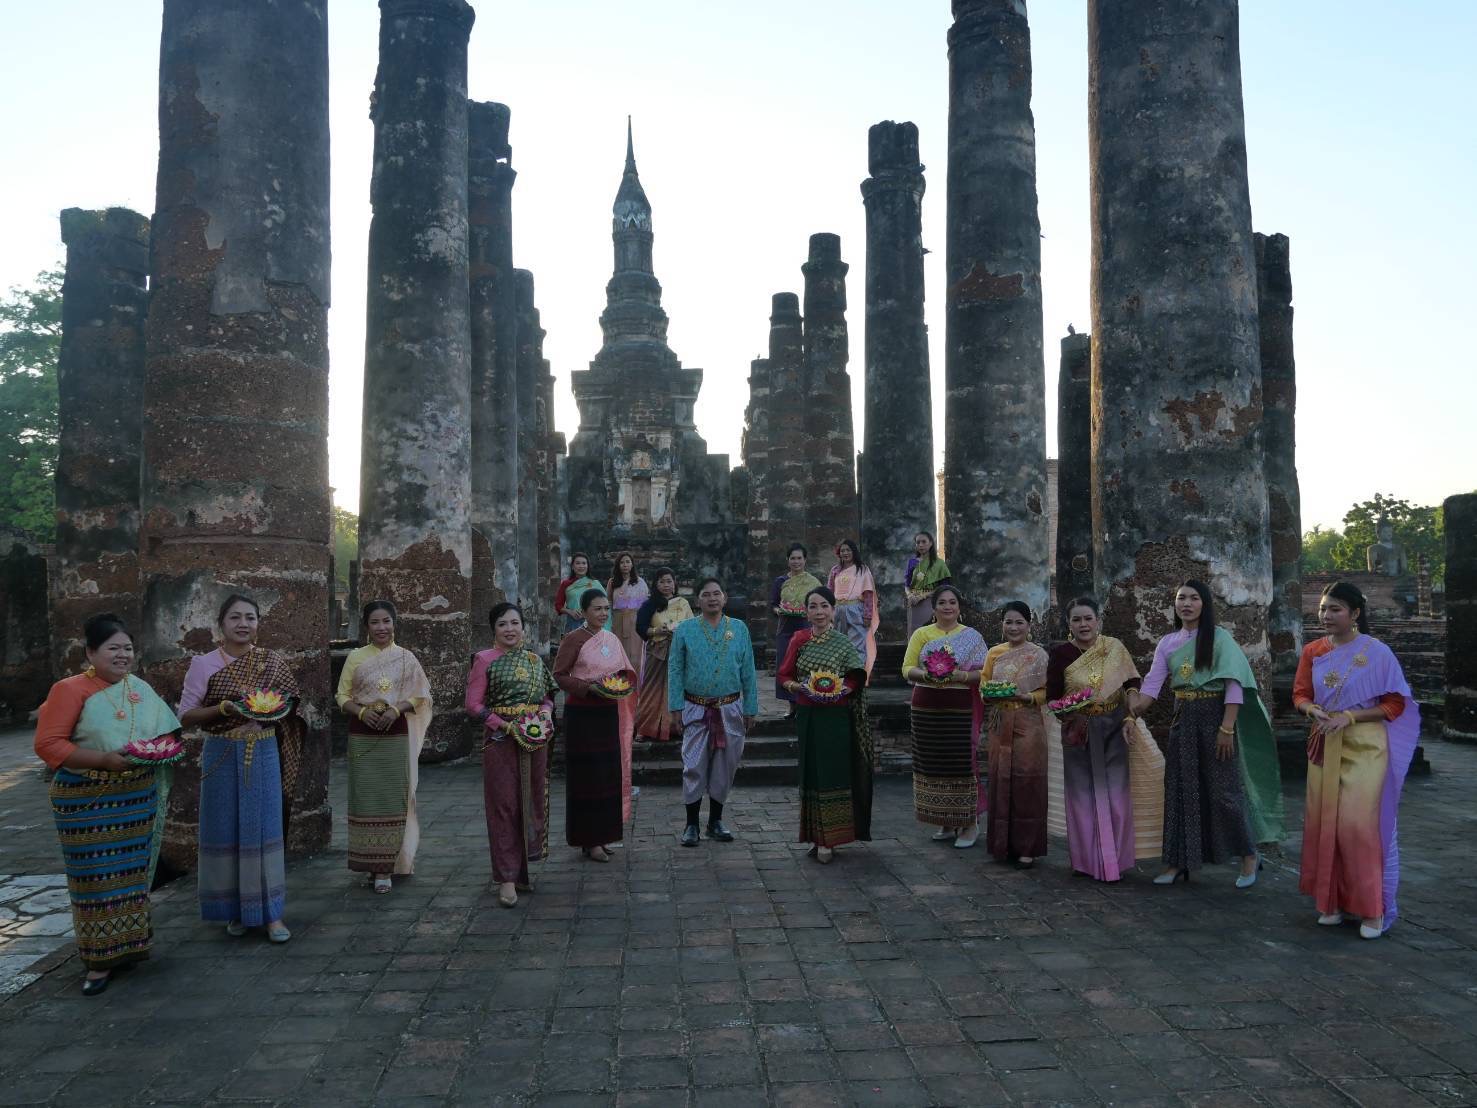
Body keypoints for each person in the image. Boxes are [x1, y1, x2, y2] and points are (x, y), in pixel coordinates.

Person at [33, 613, 183, 996]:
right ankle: (98, 961)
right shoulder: (70, 690)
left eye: (127, 648)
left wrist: (162, 750)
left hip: (135, 798)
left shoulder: (140, 688)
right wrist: (102, 760)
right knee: (95, 881)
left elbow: (165, 732)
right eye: (113, 648)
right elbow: (49, 745)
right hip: (88, 801)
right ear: (90, 652)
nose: (122, 656)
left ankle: (130, 947)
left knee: (131, 877)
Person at [1127, 581, 1282, 887]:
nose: (1186, 603)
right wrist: (1130, 704)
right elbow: (1151, 688)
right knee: (1179, 791)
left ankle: (1249, 856)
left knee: (1225, 792)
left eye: (1194, 598)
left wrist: (1226, 728)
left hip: (1216, 719)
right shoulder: (1168, 643)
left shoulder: (1220, 638)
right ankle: (1176, 862)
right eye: (1180, 597)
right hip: (1183, 719)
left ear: (1204, 604)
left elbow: (1234, 685)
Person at [1293, 581, 1419, 939]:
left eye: (1335, 609)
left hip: (1364, 746)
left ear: (1356, 614)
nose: (1326, 615)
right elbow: (1300, 693)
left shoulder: (1377, 653)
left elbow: (1395, 703)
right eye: (1323, 609)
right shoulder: (1313, 651)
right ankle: (1331, 903)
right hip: (1324, 742)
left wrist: (1350, 717)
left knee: (1360, 827)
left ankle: (1371, 910)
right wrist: (1311, 709)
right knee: (1324, 823)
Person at [178, 594, 306, 942]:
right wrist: (224, 709)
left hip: (263, 751)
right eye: (235, 617)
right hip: (222, 753)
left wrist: (278, 709)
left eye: (250, 617)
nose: (243, 624)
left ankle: (271, 915)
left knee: (263, 829)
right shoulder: (203, 665)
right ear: (221, 623)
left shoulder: (271, 662)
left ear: (258, 624)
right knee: (227, 830)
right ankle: (237, 909)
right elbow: (186, 715)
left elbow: (293, 703)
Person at [1044, 596, 1163, 883]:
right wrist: (1067, 713)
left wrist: (1132, 702)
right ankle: (1084, 862)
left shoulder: (1114, 648)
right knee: (1081, 799)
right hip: (1078, 729)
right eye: (1076, 620)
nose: (1083, 624)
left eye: (1088, 618)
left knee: (1117, 797)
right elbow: (1052, 697)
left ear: (1098, 621)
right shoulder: (1061, 654)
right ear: (1069, 625)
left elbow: (1132, 680)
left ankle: (1116, 862)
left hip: (1113, 726)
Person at [466, 602, 558, 908]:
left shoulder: (533, 660)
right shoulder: (484, 660)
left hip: (534, 738)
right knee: (504, 804)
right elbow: (474, 705)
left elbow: (547, 698)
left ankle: (522, 870)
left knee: (530, 800)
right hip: (501, 740)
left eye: (514, 623)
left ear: (523, 627)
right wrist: (503, 724)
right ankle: (506, 878)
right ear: (494, 629)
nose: (509, 629)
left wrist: (543, 717)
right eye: (503, 624)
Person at [336, 600, 432, 893]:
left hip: (395, 732)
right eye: (375, 622)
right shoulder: (355, 657)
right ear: (366, 626)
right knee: (367, 799)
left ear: (394, 624)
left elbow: (421, 695)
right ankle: (371, 863)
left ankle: (389, 866)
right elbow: (341, 696)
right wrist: (363, 712)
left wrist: (397, 709)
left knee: (394, 797)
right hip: (363, 736)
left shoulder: (406, 658)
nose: (382, 627)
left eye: (387, 621)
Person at [778, 586, 872, 864]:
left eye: (824, 606)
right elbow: (784, 675)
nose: (819, 612)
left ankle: (832, 838)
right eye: (813, 607)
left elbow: (856, 675)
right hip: (808, 716)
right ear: (806, 611)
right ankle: (817, 836)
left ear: (833, 610)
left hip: (836, 718)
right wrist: (800, 687)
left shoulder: (843, 643)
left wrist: (844, 690)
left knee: (834, 773)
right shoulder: (799, 639)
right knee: (812, 773)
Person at [667, 577, 758, 846]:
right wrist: (675, 707)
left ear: (725, 598)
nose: (712, 598)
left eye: (717, 593)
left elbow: (749, 671)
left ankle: (715, 821)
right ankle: (691, 824)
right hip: (696, 707)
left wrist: (750, 707)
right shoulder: (685, 629)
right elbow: (675, 669)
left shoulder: (739, 629)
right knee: (693, 765)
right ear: (698, 601)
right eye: (706, 595)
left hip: (730, 707)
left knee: (725, 765)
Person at [902, 584, 989, 848]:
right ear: (934, 607)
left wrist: (960, 675)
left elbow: (985, 673)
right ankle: (946, 819)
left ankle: (969, 822)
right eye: (942, 603)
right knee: (933, 763)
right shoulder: (922, 634)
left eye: (953, 602)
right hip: (927, 705)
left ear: (959, 607)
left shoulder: (972, 637)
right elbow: (907, 669)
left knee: (961, 762)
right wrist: (928, 674)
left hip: (959, 704)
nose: (948, 607)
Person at [552, 589, 636, 862]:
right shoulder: (573, 639)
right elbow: (560, 675)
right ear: (585, 611)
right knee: (587, 778)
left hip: (608, 712)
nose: (602, 613)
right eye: (597, 608)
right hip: (583, 715)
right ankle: (588, 840)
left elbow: (623, 669)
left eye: (605, 608)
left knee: (608, 776)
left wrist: (619, 685)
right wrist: (589, 688)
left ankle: (604, 835)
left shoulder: (610, 638)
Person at [980, 602, 1049, 867]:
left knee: (1027, 782)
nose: (1013, 627)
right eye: (1008, 622)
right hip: (1000, 721)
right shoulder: (994, 653)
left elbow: (1048, 691)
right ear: (1002, 625)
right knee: (1000, 779)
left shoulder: (1039, 655)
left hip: (1028, 722)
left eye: (1019, 622)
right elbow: (985, 685)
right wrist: (988, 695)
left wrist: (1027, 696)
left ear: (1029, 625)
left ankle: (1027, 847)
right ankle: (1002, 844)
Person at [634, 568, 693, 742]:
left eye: (669, 581)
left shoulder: (683, 603)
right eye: (662, 582)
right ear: (655, 584)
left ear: (674, 583)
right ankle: (645, 728)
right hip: (658, 651)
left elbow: (692, 626)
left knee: (677, 689)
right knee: (651, 690)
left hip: (680, 651)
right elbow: (640, 627)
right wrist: (656, 630)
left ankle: (675, 727)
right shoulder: (650, 604)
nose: (666, 585)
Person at [770, 543, 822, 714]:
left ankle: (807, 703)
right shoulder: (780, 581)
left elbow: (820, 604)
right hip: (785, 628)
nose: (796, 561)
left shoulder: (813, 582)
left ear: (805, 560)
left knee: (805, 666)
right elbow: (774, 604)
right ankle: (791, 706)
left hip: (806, 628)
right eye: (793, 558)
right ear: (788, 560)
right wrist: (781, 611)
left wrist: (808, 612)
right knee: (786, 666)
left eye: (799, 558)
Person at [829, 539, 878, 677]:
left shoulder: (862, 569)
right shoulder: (835, 570)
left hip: (855, 609)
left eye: (848, 550)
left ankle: (856, 677)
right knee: (838, 643)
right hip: (838, 609)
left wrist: (868, 615)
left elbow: (868, 594)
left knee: (857, 645)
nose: (845, 553)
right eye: (843, 550)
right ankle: (840, 677)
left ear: (853, 552)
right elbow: (829, 591)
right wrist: (829, 612)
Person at [607, 553, 650, 681]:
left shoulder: (640, 582)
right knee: (619, 655)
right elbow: (608, 603)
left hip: (635, 621)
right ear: (618, 565)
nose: (625, 565)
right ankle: (620, 688)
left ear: (632, 564)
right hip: (618, 620)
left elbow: (645, 605)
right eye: (622, 562)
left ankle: (636, 689)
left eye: (627, 562)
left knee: (635, 657)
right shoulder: (612, 582)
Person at [903, 531, 951, 635]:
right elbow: (906, 584)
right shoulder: (912, 562)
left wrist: (923, 596)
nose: (920, 545)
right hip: (913, 602)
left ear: (931, 543)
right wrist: (910, 595)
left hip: (931, 602)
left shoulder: (939, 564)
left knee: (930, 632)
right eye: (918, 542)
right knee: (914, 633)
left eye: (924, 542)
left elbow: (944, 587)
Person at [555, 552, 600, 635]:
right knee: (572, 647)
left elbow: (603, 604)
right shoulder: (566, 584)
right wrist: (570, 612)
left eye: (584, 563)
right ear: (572, 566)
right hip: (573, 623)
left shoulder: (595, 584)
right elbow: (558, 606)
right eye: (578, 563)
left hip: (592, 622)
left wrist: (588, 613)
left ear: (588, 566)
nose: (581, 566)